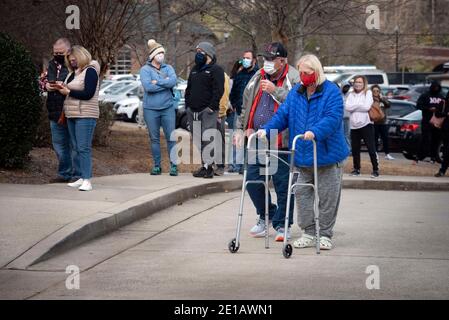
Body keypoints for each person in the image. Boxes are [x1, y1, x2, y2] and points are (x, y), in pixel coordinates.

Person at [258, 54, 349, 250]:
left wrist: (315, 132)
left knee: (327, 196)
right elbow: (282, 115)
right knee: (302, 195)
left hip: (326, 154)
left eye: (307, 73)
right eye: (300, 72)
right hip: (301, 155)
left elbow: (333, 118)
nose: (303, 76)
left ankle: (324, 234)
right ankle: (308, 231)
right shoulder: (296, 93)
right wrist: (267, 129)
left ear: (316, 72)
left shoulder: (331, 92)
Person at [235, 42, 299, 242]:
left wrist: (275, 90)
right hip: (257, 138)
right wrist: (240, 127)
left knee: (282, 183)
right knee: (252, 181)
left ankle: (283, 224)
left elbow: (298, 104)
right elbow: (245, 105)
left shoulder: (294, 77)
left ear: (282, 60)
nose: (267, 62)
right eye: (265, 58)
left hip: (281, 139)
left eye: (272, 59)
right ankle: (267, 214)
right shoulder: (258, 76)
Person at [56, 45, 100, 192]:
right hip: (72, 114)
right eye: (70, 60)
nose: (72, 62)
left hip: (86, 115)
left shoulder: (91, 71)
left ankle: (87, 180)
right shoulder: (72, 73)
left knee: (83, 147)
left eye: (74, 59)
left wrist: (68, 91)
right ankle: (81, 176)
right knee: (75, 147)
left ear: (81, 56)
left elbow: (88, 94)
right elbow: (70, 90)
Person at [185, 42, 225, 179]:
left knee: (208, 139)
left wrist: (211, 107)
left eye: (200, 51)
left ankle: (209, 167)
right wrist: (187, 106)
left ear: (208, 53)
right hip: (193, 111)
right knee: (197, 140)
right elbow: (188, 88)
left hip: (207, 111)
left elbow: (219, 90)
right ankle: (204, 165)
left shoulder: (216, 69)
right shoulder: (195, 69)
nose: (197, 54)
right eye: (196, 51)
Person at [140, 39, 178, 176]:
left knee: (171, 137)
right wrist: (165, 82)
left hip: (167, 107)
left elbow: (173, 81)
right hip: (150, 109)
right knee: (154, 139)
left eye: (163, 53)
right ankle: (157, 166)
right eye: (159, 53)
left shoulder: (169, 68)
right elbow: (148, 87)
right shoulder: (145, 70)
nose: (161, 55)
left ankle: (174, 166)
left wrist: (159, 82)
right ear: (153, 55)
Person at [45, 38, 76, 183]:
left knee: (73, 144)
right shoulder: (51, 65)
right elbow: (43, 80)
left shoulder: (75, 65)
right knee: (58, 144)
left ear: (68, 51)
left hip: (70, 109)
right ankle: (64, 173)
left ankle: (76, 174)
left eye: (60, 52)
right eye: (55, 52)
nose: (57, 55)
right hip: (53, 110)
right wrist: (46, 86)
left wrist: (65, 87)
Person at [227, 51, 259, 174]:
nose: (245, 60)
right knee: (237, 139)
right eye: (244, 58)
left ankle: (247, 166)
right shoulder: (240, 74)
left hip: (252, 113)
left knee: (249, 139)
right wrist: (235, 105)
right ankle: (235, 165)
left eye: (248, 58)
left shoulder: (258, 75)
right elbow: (233, 92)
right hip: (239, 112)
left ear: (254, 60)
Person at [345, 75, 379, 178]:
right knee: (355, 149)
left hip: (366, 124)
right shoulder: (350, 94)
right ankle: (356, 169)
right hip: (354, 125)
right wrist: (359, 105)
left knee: (371, 148)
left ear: (364, 84)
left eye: (360, 82)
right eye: (356, 82)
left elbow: (366, 107)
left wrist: (354, 107)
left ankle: (375, 170)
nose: (358, 84)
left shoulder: (368, 93)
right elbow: (347, 107)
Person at [416, 81, 446, 163]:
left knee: (436, 140)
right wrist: (428, 109)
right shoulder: (425, 95)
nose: (436, 88)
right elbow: (418, 105)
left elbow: (445, 108)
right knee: (426, 139)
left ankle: (433, 157)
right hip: (427, 121)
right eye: (435, 87)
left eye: (437, 87)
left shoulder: (441, 97)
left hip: (438, 122)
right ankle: (420, 156)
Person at [371, 84, 394, 160]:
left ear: (379, 91)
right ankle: (375, 153)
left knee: (385, 138)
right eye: (374, 91)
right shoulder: (370, 99)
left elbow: (389, 105)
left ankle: (387, 154)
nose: (376, 92)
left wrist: (382, 99)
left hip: (383, 122)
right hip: (374, 122)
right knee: (375, 138)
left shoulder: (382, 99)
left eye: (377, 91)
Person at [435, 91, 449, 177]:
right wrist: (446, 114)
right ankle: (442, 170)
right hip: (446, 130)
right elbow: (437, 113)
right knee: (447, 152)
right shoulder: (444, 102)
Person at [341, 81, 351, 149]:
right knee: (341, 133)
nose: (346, 88)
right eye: (345, 86)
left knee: (347, 134)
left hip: (348, 117)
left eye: (348, 87)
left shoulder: (350, 95)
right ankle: (342, 148)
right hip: (340, 118)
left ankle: (349, 148)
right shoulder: (338, 95)